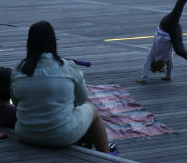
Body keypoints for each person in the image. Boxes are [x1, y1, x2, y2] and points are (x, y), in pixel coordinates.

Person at [10, 21, 111, 153]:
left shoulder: (18, 69)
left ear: (29, 42)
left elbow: (16, 102)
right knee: (92, 110)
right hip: (61, 136)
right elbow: (81, 99)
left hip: (25, 134)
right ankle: (107, 156)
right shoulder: (67, 66)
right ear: (53, 42)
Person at [137, 0, 187, 83]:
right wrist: (169, 76)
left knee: (176, 13)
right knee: (179, 50)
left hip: (165, 26)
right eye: (160, 67)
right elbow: (170, 65)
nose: (161, 65)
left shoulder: (152, 54)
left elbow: (146, 65)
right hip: (173, 31)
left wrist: (144, 79)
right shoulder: (167, 57)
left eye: (158, 66)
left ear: (155, 63)